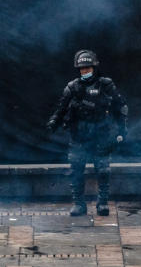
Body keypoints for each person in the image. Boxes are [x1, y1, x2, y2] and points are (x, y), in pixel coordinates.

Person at [47, 50, 128, 216]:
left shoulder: (106, 85)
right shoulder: (73, 87)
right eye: (82, 69)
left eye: (88, 68)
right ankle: (78, 203)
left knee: (103, 170)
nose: (85, 71)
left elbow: (120, 107)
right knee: (76, 170)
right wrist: (54, 122)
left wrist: (122, 129)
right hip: (79, 135)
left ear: (94, 67)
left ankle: (102, 203)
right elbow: (61, 108)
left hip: (101, 134)